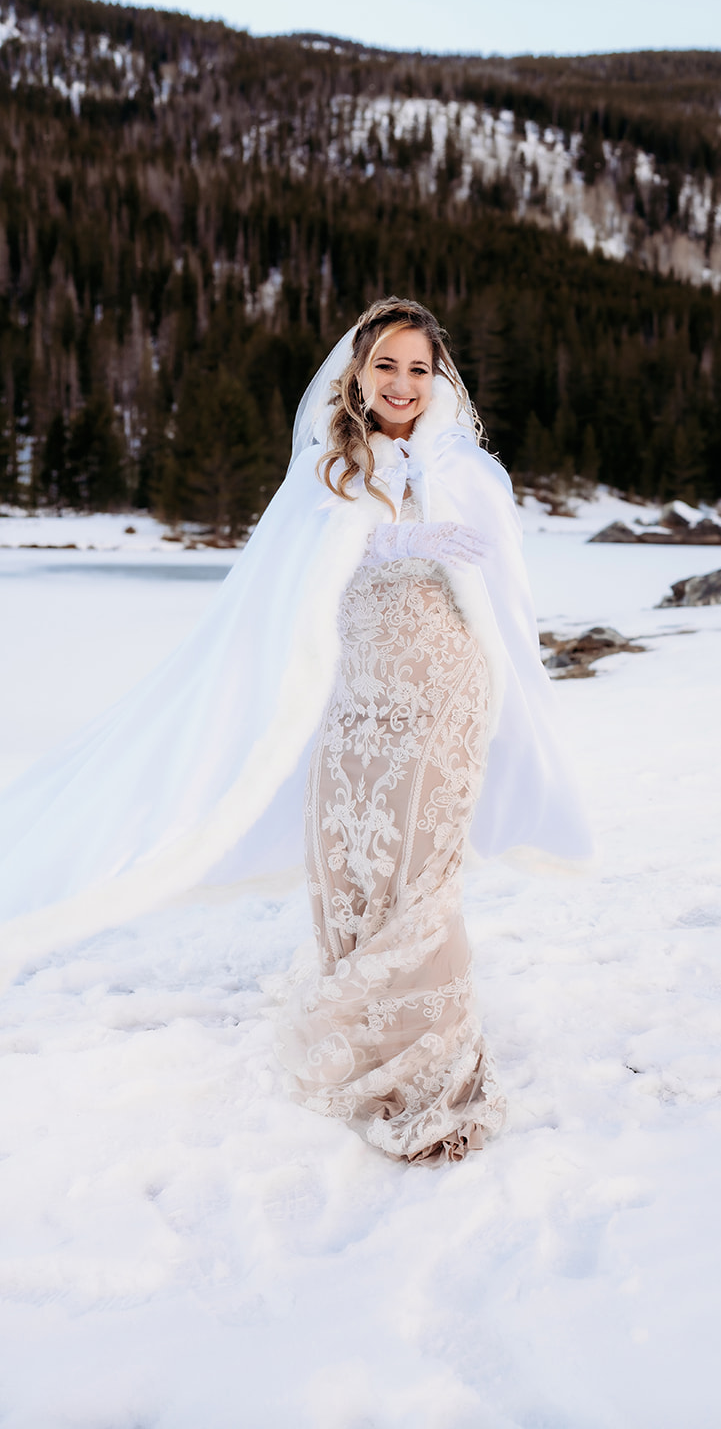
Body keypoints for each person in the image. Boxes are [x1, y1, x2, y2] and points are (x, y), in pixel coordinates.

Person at [0, 297, 592, 1163]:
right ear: (357, 371)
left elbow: (502, 598)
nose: (400, 383)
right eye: (385, 365)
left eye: (418, 368)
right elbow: (289, 582)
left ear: (440, 380)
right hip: (355, 700)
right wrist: (385, 545)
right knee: (353, 863)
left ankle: (436, 1073)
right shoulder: (327, 469)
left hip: (443, 691)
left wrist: (431, 551)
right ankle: (364, 1043)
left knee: (420, 876)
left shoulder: (470, 473)